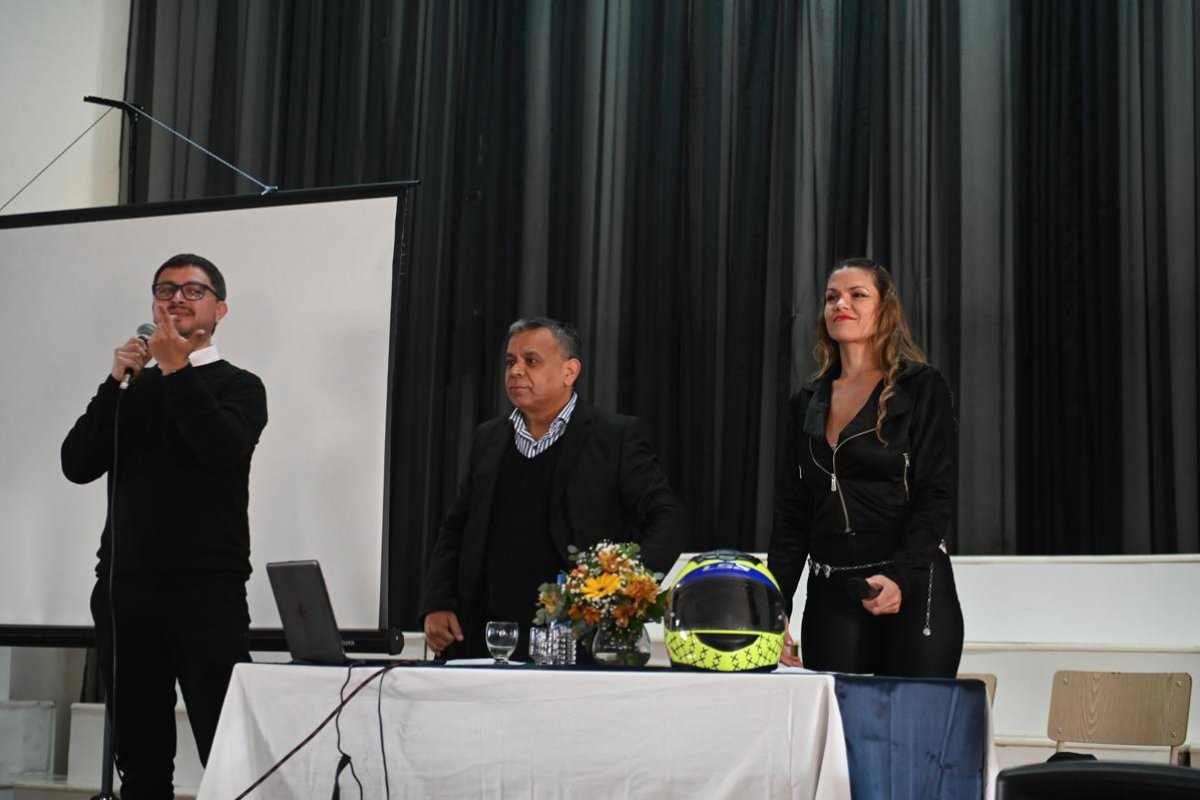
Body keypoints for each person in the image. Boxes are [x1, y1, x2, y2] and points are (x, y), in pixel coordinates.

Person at [61, 254, 268, 798]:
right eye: (165, 290)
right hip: (125, 594)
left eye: (194, 290)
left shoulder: (241, 386)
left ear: (220, 310)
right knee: (141, 759)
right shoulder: (131, 389)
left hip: (207, 594)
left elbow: (219, 449)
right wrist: (113, 383)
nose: (177, 298)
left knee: (226, 751)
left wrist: (176, 370)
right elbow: (77, 463)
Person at [421, 317, 687, 660]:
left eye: (531, 361)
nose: (516, 371)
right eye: (510, 361)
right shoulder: (488, 438)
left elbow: (668, 517)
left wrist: (626, 590)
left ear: (569, 371)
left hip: (579, 643)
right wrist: (438, 602)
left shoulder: (615, 437)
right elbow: (456, 528)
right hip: (486, 636)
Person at [768, 258, 963, 678]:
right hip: (831, 588)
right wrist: (774, 604)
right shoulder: (807, 401)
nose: (841, 304)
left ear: (884, 308)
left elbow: (935, 494)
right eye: (831, 297)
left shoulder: (921, 387)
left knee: (912, 716)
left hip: (909, 581)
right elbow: (792, 513)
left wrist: (901, 578)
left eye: (857, 295)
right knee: (838, 718)